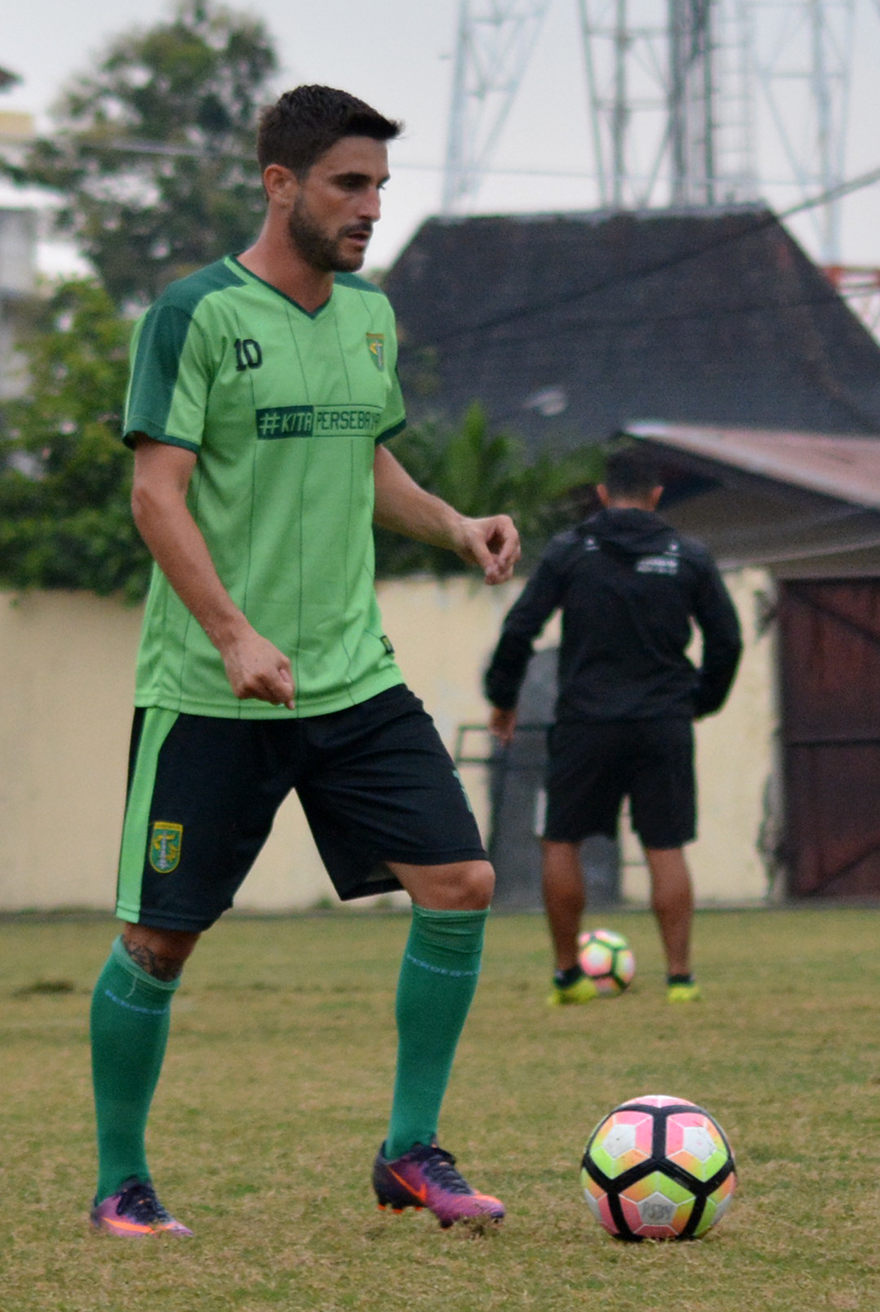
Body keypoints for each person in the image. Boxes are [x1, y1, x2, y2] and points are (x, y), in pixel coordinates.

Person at [88, 85, 522, 1240]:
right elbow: (154, 492)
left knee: (462, 882)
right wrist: (230, 632)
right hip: (209, 689)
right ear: (280, 184)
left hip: (352, 678)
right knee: (157, 942)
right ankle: (119, 1182)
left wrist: (454, 524)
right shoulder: (189, 316)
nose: (370, 207)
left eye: (379, 185)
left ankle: (407, 1150)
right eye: (348, 183)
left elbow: (365, 464)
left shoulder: (369, 317)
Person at [483, 444, 742, 1008]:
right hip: (663, 722)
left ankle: (567, 975)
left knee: (562, 840)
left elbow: (519, 628)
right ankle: (680, 980)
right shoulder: (687, 553)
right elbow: (728, 640)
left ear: (603, 495)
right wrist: (701, 701)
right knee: (666, 844)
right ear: (655, 495)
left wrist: (503, 699)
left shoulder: (571, 550)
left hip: (586, 723)